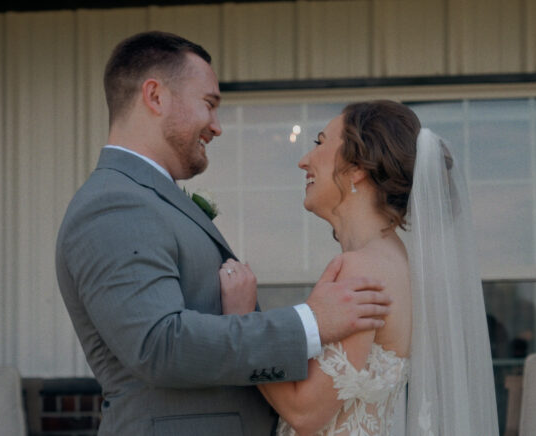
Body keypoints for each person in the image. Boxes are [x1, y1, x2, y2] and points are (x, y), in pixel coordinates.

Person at [55, 31, 393, 435]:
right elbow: (159, 345)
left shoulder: (150, 198)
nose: (217, 127)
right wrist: (310, 322)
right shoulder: (113, 204)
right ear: (155, 96)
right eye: (209, 105)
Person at [222, 100, 499, 435]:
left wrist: (242, 320)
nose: (303, 160)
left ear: (357, 169)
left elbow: (305, 411)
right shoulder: (395, 261)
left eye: (320, 143)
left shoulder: (362, 269)